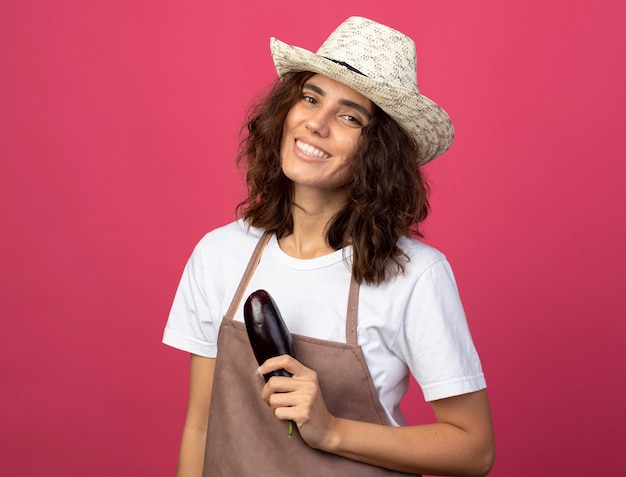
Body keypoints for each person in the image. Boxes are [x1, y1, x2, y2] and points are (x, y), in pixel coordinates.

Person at [163, 16, 495, 477]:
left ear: (377, 152)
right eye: (310, 98)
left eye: (348, 116)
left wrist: (332, 429)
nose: (316, 124)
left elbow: (473, 450)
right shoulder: (219, 254)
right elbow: (200, 428)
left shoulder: (415, 274)